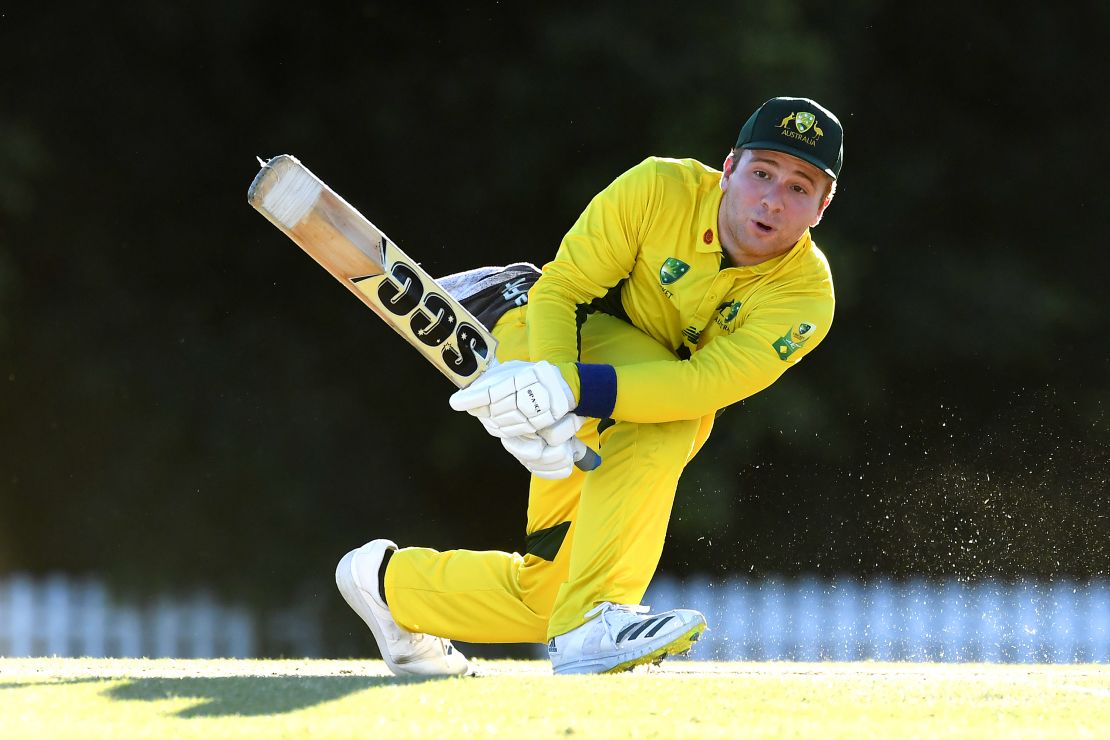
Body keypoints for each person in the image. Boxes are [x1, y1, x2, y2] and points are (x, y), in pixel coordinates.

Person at [336, 96, 843, 676]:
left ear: (821, 208)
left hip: (602, 401)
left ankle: (388, 585)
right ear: (728, 169)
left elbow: (703, 384)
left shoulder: (806, 296)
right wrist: (552, 381)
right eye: (761, 174)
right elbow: (564, 287)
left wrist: (566, 398)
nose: (773, 200)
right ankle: (596, 621)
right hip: (541, 328)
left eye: (800, 189)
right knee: (671, 424)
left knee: (551, 594)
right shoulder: (660, 188)